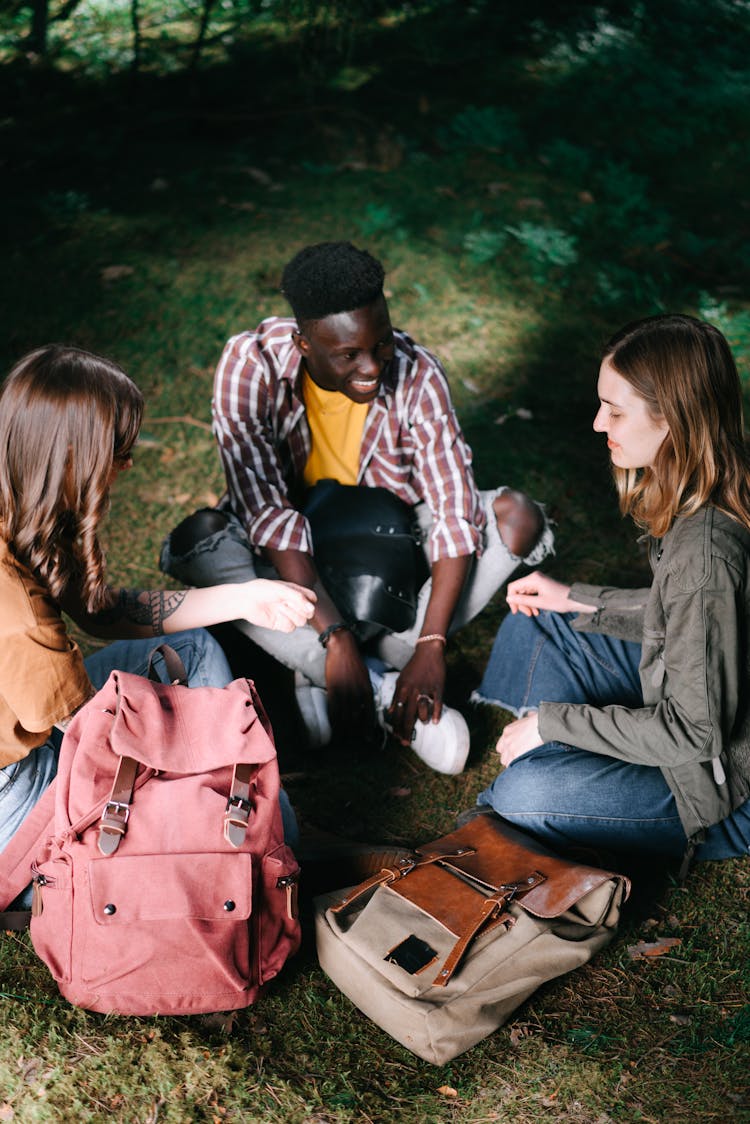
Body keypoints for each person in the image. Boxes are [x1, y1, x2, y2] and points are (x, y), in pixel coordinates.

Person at [160, 241, 553, 768]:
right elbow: (269, 514)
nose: (371, 366)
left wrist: (432, 644)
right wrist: (334, 637)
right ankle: (373, 683)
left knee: (518, 518)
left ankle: (364, 667)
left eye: (381, 343)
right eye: (348, 355)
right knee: (199, 540)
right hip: (292, 559)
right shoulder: (249, 364)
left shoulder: (419, 371)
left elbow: (453, 510)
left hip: (388, 549)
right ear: (303, 342)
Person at [0, 344, 316, 885]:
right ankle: (258, 833)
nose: (127, 464)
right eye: (117, 450)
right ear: (71, 459)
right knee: (240, 809)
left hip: (33, 732)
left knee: (194, 649)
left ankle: (248, 803)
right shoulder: (18, 610)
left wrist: (246, 596)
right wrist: (187, 744)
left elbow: (103, 612)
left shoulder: (20, 514)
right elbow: (96, 741)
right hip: (16, 792)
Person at [472, 313, 750, 870]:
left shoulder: (706, 554)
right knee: (537, 618)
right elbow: (689, 620)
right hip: (679, 695)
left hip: (717, 788)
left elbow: (695, 734)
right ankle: (565, 751)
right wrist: (576, 598)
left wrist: (554, 722)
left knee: (521, 795)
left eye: (615, 411)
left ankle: (554, 756)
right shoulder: (709, 487)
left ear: (672, 418)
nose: (600, 424)